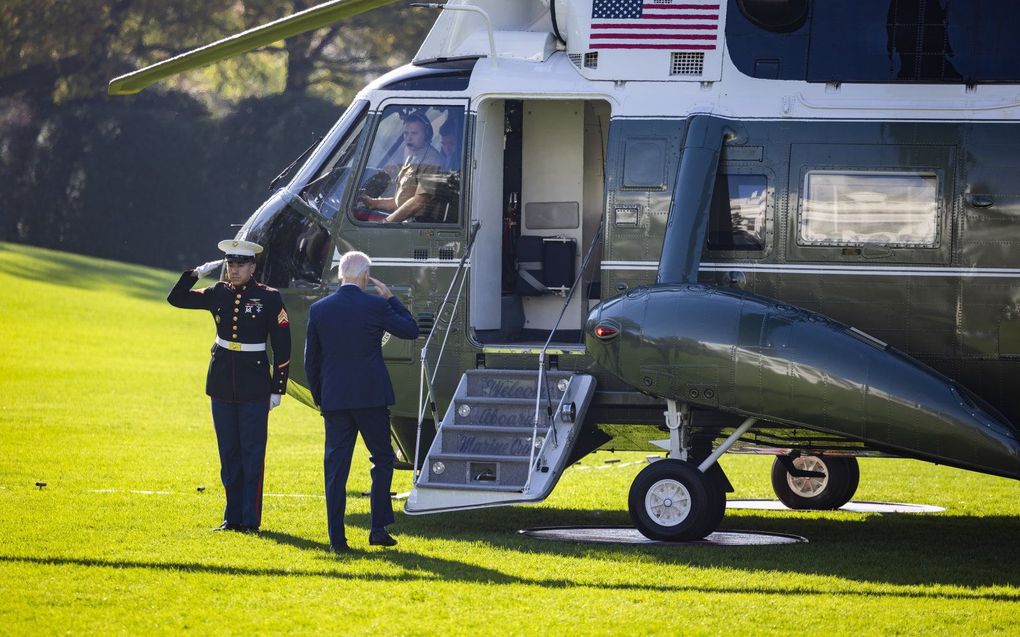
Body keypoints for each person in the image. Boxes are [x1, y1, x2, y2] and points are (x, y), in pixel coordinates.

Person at [167, 239, 291, 534]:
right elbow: (176, 299)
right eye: (230, 265)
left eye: (240, 265)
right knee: (229, 455)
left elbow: (283, 346)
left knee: (251, 454)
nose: (234, 271)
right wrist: (194, 274)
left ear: (252, 267)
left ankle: (250, 520)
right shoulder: (217, 293)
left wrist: (278, 389)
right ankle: (231, 517)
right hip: (222, 382)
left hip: (254, 384)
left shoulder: (269, 298)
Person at [304, 251, 418, 552]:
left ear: (341, 274)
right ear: (366, 277)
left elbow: (310, 362)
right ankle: (378, 528)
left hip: (335, 400)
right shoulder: (376, 305)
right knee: (382, 459)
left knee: (336, 470)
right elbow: (410, 329)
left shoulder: (319, 310)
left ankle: (337, 539)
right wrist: (392, 298)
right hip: (371, 397)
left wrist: (321, 398)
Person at [360, 112, 444, 223]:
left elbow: (418, 202)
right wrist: (373, 202)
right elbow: (401, 201)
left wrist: (386, 223)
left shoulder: (432, 161)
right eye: (406, 133)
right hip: (406, 222)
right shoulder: (411, 156)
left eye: (414, 133)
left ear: (427, 134)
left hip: (420, 226)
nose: (409, 138)